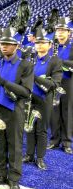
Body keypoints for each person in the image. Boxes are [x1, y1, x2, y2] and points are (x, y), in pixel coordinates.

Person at [0, 27, 34, 189]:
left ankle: (14, 179)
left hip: (15, 111)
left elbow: (26, 92)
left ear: (16, 46)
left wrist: (4, 83)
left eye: (8, 44)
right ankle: (0, 174)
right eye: (2, 43)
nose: (4, 46)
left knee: (15, 145)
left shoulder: (25, 65)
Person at [22, 27, 62, 170]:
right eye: (37, 42)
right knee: (29, 128)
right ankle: (29, 154)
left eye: (43, 42)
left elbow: (55, 84)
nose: (39, 45)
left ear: (50, 45)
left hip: (45, 99)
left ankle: (40, 158)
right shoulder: (29, 59)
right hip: (30, 98)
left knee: (42, 129)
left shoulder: (54, 61)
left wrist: (35, 78)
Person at [48, 17, 73, 154]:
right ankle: (54, 140)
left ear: (68, 32)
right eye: (58, 30)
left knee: (67, 111)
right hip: (54, 82)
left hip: (68, 82)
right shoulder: (52, 46)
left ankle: (67, 142)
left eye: (63, 30)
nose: (60, 33)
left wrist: (60, 63)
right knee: (54, 111)